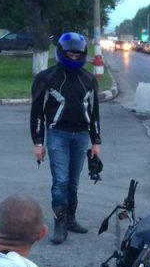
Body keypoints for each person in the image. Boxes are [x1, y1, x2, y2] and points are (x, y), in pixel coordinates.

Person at [30, 32, 101, 244]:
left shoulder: (89, 80)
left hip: (81, 136)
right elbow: (37, 113)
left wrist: (96, 142)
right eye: (70, 53)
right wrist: (38, 142)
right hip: (57, 134)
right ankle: (59, 225)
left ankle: (71, 219)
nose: (74, 57)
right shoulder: (46, 78)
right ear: (61, 52)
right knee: (60, 180)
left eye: (78, 54)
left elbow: (95, 113)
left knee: (73, 181)